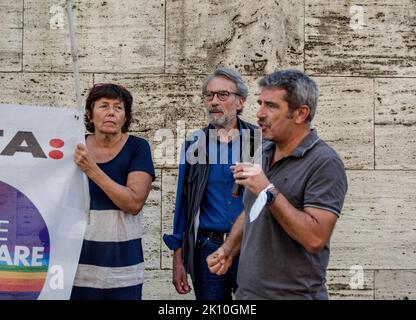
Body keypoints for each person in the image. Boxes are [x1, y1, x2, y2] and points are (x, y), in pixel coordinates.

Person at [207, 69, 348, 299]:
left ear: (301, 113)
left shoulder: (325, 162)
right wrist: (228, 249)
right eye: (260, 103)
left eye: (271, 106)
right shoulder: (263, 151)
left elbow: (315, 238)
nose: (260, 113)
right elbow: (251, 210)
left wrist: (266, 189)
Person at [163, 68, 260, 300]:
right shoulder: (195, 144)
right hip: (208, 247)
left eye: (223, 95)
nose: (214, 101)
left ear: (240, 102)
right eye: (209, 95)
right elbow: (183, 202)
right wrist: (179, 257)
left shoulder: (261, 142)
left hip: (251, 246)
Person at [70, 83, 155, 300]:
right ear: (89, 114)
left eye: (118, 108)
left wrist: (92, 169)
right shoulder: (74, 146)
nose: (111, 112)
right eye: (104, 106)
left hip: (123, 269)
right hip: (75, 267)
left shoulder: (138, 147)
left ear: (126, 117)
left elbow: (134, 203)